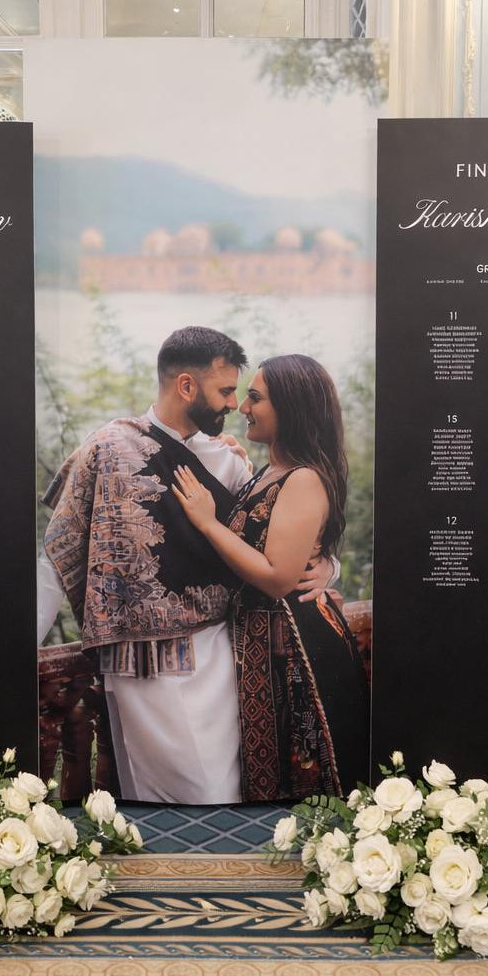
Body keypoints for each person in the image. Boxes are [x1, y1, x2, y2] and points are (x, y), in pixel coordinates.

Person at [38, 328, 334, 804]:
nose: (234, 405)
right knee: (151, 798)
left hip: (222, 657)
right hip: (138, 665)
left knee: (220, 793)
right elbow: (59, 553)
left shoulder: (228, 462)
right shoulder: (108, 449)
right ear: (186, 387)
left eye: (242, 393)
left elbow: (272, 537)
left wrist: (328, 565)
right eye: (225, 391)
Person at [173, 354, 369, 801]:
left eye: (255, 398)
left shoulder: (303, 480)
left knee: (307, 779)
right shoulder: (268, 472)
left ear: (291, 409)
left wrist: (208, 522)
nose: (242, 407)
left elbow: (279, 578)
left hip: (298, 649)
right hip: (264, 642)